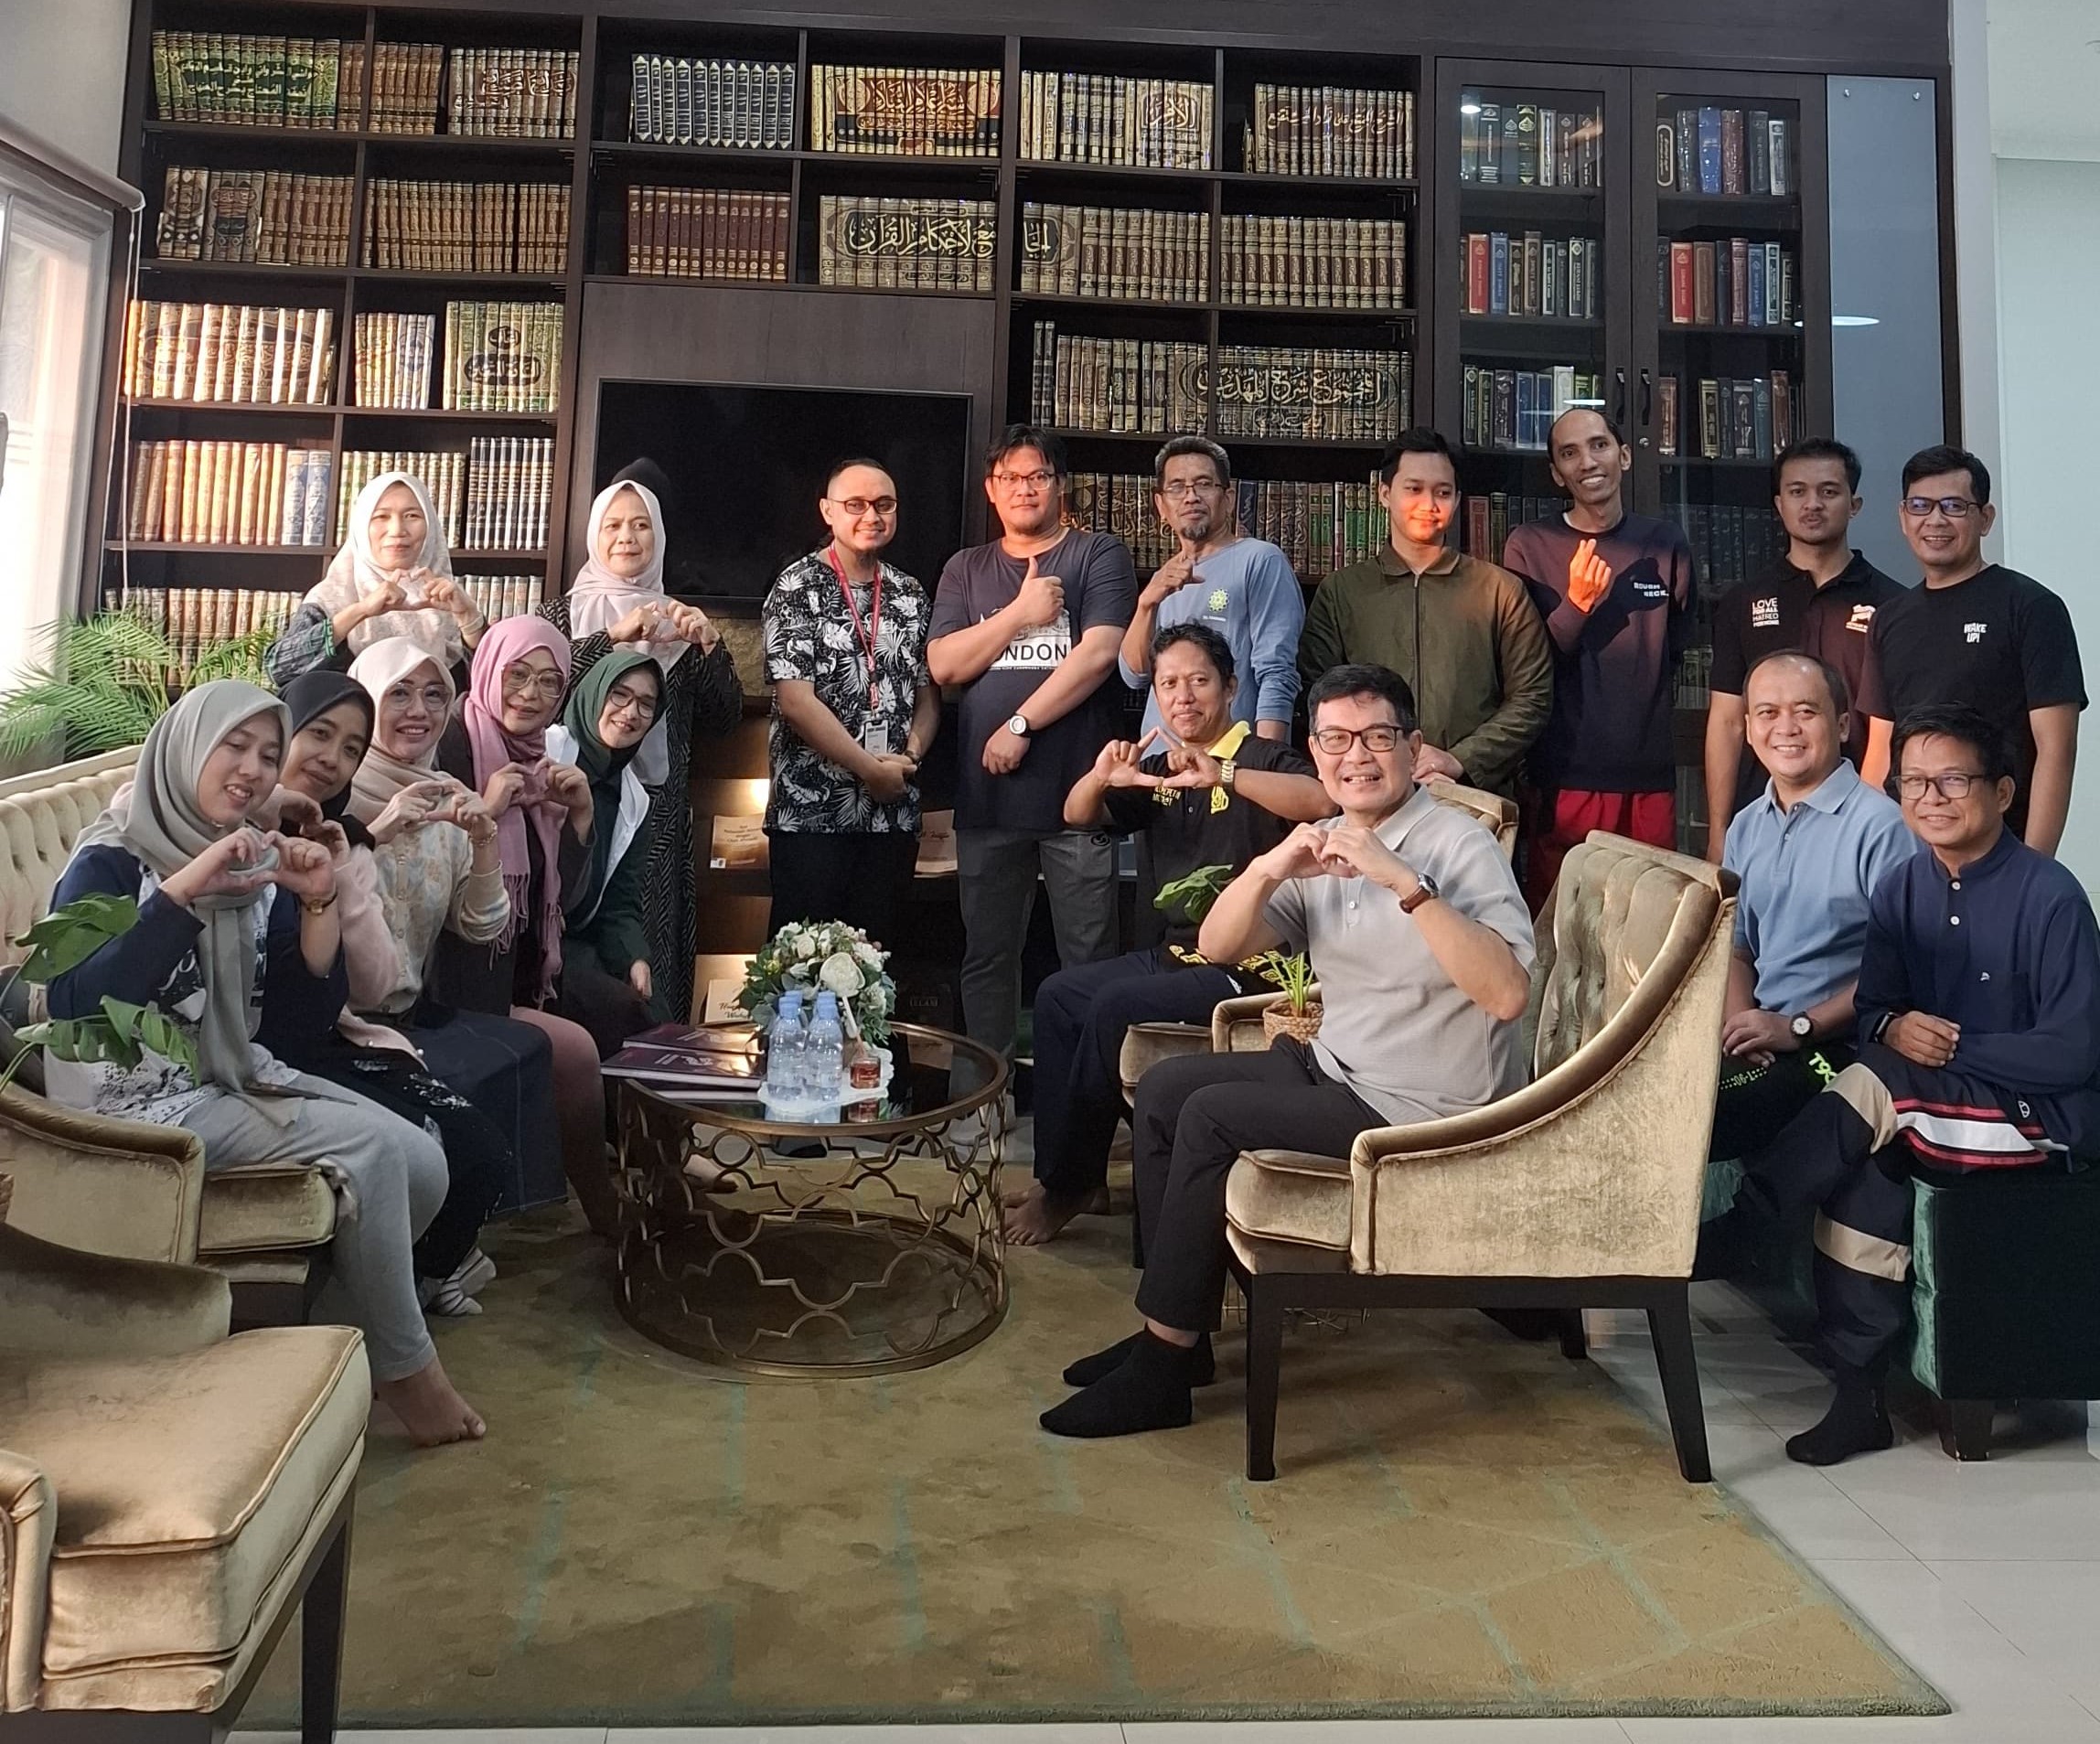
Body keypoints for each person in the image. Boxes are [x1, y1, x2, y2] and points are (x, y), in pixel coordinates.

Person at [1040, 664, 1535, 1439]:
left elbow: (1506, 994)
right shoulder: (1334, 839)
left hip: (1420, 1104)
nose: (1356, 756)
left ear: (1413, 749)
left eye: (1376, 737)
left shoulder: (1457, 844)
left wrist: (1405, 883)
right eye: (1336, 739)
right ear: (1315, 751)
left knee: (1208, 1115)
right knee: (1166, 1090)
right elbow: (1217, 944)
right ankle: (1180, 1340)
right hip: (1338, 1066)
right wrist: (1272, 865)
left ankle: (1163, 1368)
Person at [42, 680, 482, 1445]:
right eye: (234, 746)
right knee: (374, 1151)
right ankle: (408, 1369)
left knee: (424, 1159)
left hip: (227, 1072)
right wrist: (186, 889)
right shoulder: (112, 857)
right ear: (185, 750)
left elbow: (294, 1020)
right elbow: (74, 1003)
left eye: (268, 754)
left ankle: (341, 1352)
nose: (252, 769)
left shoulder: (252, 855)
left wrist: (317, 902)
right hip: (128, 1106)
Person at [1703, 702, 2100, 1466]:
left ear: (2003, 791)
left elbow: (2075, 1053)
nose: (1930, 798)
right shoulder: (1903, 886)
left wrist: (1944, 1049)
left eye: (1953, 781)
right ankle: (1859, 1399)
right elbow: (1877, 1009)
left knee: (1880, 1081)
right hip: (1930, 1108)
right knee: (1870, 1169)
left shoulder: (2051, 896)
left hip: (2041, 1121)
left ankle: (1753, 1223)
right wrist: (1891, 1027)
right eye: (1913, 782)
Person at [1002, 624, 1334, 1246]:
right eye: (1169, 684)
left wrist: (1223, 775)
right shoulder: (1159, 769)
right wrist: (1103, 775)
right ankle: (1068, 1176)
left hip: (1249, 970)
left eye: (1199, 680)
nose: (1183, 696)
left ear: (1230, 687)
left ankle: (1067, 1188)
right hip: (1173, 955)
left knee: (1111, 1006)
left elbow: (1319, 800)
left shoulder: (1261, 757)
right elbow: (1077, 813)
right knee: (1058, 995)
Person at [269, 669, 509, 1318]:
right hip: (262, 1058)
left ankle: (421, 1280)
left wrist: (348, 867)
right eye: (319, 734)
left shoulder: (339, 837)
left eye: (351, 747)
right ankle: (384, 1313)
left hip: (330, 1039)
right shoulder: (222, 826)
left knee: (481, 1152)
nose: (332, 758)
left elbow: (375, 981)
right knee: (435, 1149)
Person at [927, 424, 1137, 1059]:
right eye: (1011, 478)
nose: (1025, 488)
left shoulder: (1098, 554)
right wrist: (1020, 613)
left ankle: (1082, 1100)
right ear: (991, 490)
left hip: (1077, 799)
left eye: (1038, 476)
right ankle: (983, 1102)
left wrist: (1020, 725)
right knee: (987, 959)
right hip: (988, 803)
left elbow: (1099, 655)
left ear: (1059, 485)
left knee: (1088, 963)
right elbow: (944, 665)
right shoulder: (966, 568)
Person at [343, 638, 565, 1230]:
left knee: (528, 1049)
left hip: (406, 1011)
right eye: (399, 693)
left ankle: (477, 1229)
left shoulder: (446, 797)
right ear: (365, 700)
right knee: (460, 1085)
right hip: (337, 1020)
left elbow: (481, 925)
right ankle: (442, 1245)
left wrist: (484, 836)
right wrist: (381, 829)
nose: (419, 710)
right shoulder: (336, 788)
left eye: (435, 694)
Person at [428, 619, 614, 1236]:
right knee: (575, 1049)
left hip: (521, 973)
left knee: (625, 1012)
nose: (531, 694)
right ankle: (602, 1207)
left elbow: (565, 902)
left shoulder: (538, 760)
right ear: (488, 669)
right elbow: (431, 890)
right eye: (518, 674)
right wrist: (484, 813)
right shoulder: (449, 746)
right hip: (452, 981)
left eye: (549, 681)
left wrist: (579, 817)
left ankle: (657, 1173)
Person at [541, 473, 743, 1023]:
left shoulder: (678, 622)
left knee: (647, 962)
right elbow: (541, 693)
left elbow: (725, 718)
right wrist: (613, 637)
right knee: (567, 942)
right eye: (613, 526)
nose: (626, 537)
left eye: (640, 525)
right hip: (568, 800)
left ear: (659, 535)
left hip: (657, 812)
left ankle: (648, 1072)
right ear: (593, 534)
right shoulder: (558, 616)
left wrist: (710, 644)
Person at [1710, 653, 1917, 1161]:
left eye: (1806, 711)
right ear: (1749, 729)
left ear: (1842, 725)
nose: (1786, 728)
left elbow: (1901, 971)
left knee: (1695, 1118)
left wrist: (1796, 1028)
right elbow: (1737, 949)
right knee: (1646, 1095)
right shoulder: (1746, 826)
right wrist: (1744, 1027)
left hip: (1838, 1048)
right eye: (1767, 713)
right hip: (1765, 1034)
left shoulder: (1882, 828)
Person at [1503, 409, 1695, 906]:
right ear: (1556, 473)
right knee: (1564, 928)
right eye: (1569, 453)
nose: (1587, 462)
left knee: (1650, 924)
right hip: (1565, 777)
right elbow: (1527, 670)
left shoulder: (1665, 542)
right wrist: (1577, 605)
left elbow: (1675, 652)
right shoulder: (1530, 545)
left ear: (1624, 456)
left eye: (1599, 445)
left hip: (1649, 776)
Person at [1296, 428, 1554, 798]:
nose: (1429, 504)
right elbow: (1316, 691)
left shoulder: (1499, 590)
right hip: (1366, 790)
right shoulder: (1342, 591)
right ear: (1385, 494)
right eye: (1414, 489)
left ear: (1458, 499)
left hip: (1470, 795)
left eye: (1443, 492)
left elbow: (1532, 697)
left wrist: (1460, 759)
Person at [1856, 444, 2086, 855]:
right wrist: (1864, 852)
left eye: (1954, 506)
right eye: (1920, 506)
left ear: (1986, 518)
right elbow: (1880, 752)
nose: (1935, 520)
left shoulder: (2031, 607)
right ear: (1903, 517)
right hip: (1907, 852)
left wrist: (2034, 867)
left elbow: (2056, 748)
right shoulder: (1889, 620)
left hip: (1999, 846)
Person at [762, 456, 939, 946]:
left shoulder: (910, 593)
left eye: (884, 504)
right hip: (812, 814)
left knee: (880, 960)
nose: (872, 516)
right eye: (856, 505)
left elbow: (929, 696)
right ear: (828, 511)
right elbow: (795, 701)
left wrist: (909, 758)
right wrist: (869, 769)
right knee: (801, 965)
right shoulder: (796, 586)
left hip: (891, 815)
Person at [1702, 438, 1902, 856]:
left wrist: (1862, 822)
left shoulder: (1893, 604)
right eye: (1798, 492)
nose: (1813, 504)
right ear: (1779, 505)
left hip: (1858, 822)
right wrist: (1719, 832)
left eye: (1829, 491)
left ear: (1854, 504)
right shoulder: (1743, 601)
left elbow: (1886, 727)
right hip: (1763, 818)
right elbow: (1727, 722)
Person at [1117, 436, 1302, 744]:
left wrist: (1266, 757)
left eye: (1203, 484)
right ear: (1161, 505)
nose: (1191, 497)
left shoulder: (1260, 560)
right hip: (1161, 757)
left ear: (1228, 499)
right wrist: (1146, 604)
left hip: (1231, 759)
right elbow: (1135, 675)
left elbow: (1276, 672)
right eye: (1177, 487)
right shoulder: (1165, 576)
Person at [545, 650, 668, 1055]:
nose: (630, 713)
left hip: (582, 942)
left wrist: (634, 958)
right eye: (619, 695)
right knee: (621, 1013)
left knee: (656, 1013)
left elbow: (619, 905)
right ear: (594, 692)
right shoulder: (546, 752)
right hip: (533, 942)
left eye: (646, 704)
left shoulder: (633, 798)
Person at [266, 471, 487, 689]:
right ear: (361, 527)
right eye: (381, 517)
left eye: (412, 516)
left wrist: (468, 617)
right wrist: (361, 611)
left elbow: (491, 686)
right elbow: (279, 669)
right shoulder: (332, 597)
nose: (397, 530)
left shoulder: (449, 598)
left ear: (431, 527)